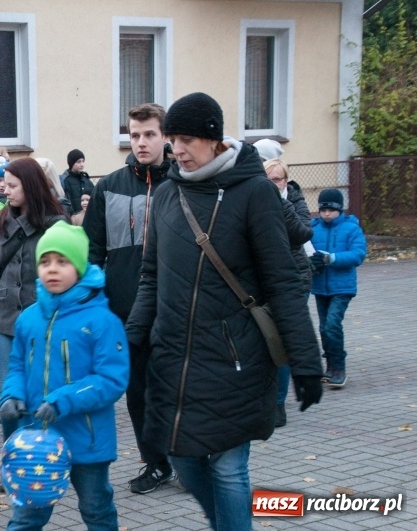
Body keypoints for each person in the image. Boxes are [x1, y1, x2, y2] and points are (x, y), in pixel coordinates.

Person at [125, 92, 323, 531]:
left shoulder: (255, 193)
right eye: (173, 139)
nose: (177, 149)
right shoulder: (168, 194)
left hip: (239, 358)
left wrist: (306, 361)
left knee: (229, 468)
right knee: (179, 453)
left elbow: (283, 283)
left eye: (187, 139)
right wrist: (134, 338)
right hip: (175, 356)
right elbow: (150, 276)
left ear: (214, 140)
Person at [0, 221, 129, 531]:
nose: (52, 269)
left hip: (87, 440)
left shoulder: (102, 320)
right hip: (36, 441)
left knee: (96, 509)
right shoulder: (29, 317)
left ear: (80, 267)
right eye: (45, 261)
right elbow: (16, 364)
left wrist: (62, 401)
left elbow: (112, 380)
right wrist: (11, 395)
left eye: (62, 261)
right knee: (27, 516)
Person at [82, 102, 174, 495]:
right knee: (137, 393)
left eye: (149, 134)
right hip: (123, 312)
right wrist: (90, 301)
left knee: (176, 389)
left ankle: (189, 460)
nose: (141, 142)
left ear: (165, 137)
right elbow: (91, 250)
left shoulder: (183, 181)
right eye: (134, 135)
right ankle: (155, 463)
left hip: (173, 308)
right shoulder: (109, 186)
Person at [0, 158, 67, 442]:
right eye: (5, 183)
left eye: (12, 185)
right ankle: (12, 457)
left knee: (38, 390)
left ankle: (37, 454)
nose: (5, 190)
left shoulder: (56, 225)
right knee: (10, 395)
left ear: (30, 186)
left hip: (42, 319)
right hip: (5, 321)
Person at [264, 158, 314, 427]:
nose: (273, 184)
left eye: (278, 179)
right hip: (266, 281)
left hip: (295, 278)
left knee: (281, 343)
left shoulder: (293, 201)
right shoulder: (256, 200)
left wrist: (279, 204)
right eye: (268, 179)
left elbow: (302, 233)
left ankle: (278, 404)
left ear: (285, 181)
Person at [310, 188, 367, 389]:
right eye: (323, 210)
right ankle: (330, 366)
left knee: (332, 324)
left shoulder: (351, 228)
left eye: (331, 210)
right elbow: (304, 252)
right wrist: (312, 263)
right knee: (324, 328)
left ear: (339, 210)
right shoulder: (313, 228)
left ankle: (339, 367)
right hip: (319, 286)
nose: (326, 214)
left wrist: (332, 259)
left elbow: (358, 254)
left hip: (342, 287)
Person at [61, 149, 94, 214]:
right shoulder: (64, 181)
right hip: (72, 219)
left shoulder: (87, 181)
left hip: (87, 218)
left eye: (83, 161)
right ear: (71, 163)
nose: (82, 164)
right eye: (78, 162)